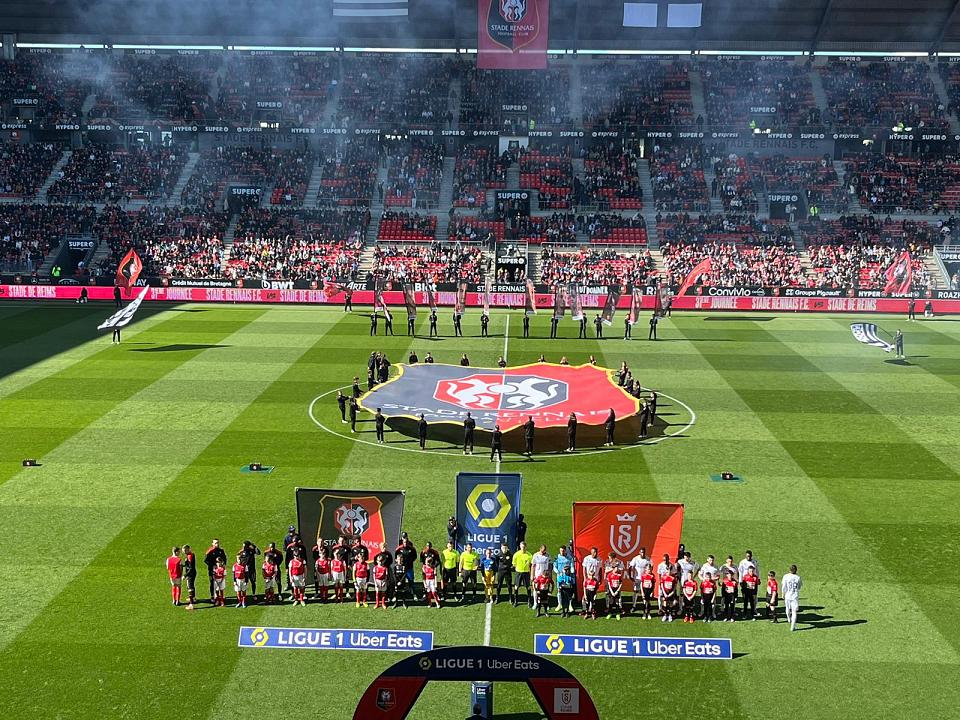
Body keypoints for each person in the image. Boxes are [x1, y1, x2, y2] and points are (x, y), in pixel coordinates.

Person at [512, 540, 533, 607]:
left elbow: (531, 564)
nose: (523, 548)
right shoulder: (516, 554)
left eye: (524, 547)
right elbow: (514, 564)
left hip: (526, 573)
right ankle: (515, 601)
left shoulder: (529, 555)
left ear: (526, 547)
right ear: (520, 547)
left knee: (528, 587)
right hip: (518, 572)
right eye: (522, 547)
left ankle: (529, 601)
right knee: (516, 587)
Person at [530, 544, 551, 612]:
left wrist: (549, 574)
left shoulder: (548, 555)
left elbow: (550, 565)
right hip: (537, 575)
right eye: (542, 551)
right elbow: (533, 566)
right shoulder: (535, 555)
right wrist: (532, 575)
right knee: (536, 590)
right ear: (540, 549)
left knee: (545, 591)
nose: (543, 552)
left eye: (544, 551)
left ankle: (546, 604)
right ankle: (535, 603)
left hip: (545, 576)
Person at [782, 564, 802, 631]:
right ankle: (792, 626)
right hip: (794, 596)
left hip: (787, 595)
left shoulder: (786, 576)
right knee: (794, 612)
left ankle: (788, 619)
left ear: (789, 570)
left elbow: (784, 586)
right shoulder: (798, 577)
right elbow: (799, 587)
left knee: (787, 608)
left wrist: (783, 593)